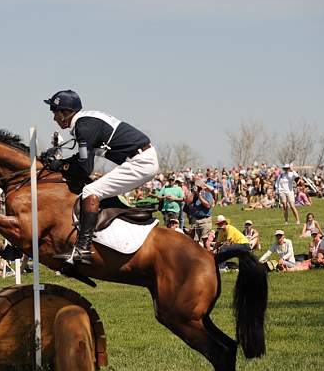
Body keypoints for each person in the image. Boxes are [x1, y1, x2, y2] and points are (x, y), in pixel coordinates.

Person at [41, 89, 159, 265]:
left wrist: (60, 164)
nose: (53, 118)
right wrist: (63, 163)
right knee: (94, 189)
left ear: (65, 113)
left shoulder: (84, 127)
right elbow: (82, 159)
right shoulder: (84, 123)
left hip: (141, 162)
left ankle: (83, 247)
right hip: (140, 159)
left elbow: (84, 168)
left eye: (55, 112)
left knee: (91, 190)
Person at [185, 179, 214, 246]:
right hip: (196, 219)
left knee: (205, 241)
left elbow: (208, 205)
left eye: (198, 186)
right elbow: (188, 202)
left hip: (205, 220)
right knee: (194, 242)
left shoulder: (207, 193)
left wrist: (199, 195)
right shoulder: (194, 194)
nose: (198, 187)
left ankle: (208, 255)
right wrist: (193, 193)